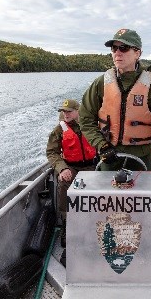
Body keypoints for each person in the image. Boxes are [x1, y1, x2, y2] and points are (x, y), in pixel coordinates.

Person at [78, 28, 151, 185]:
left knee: (144, 207)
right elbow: (85, 118)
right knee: (107, 206)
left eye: (123, 48)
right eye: (114, 48)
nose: (117, 52)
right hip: (108, 158)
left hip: (142, 161)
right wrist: (101, 145)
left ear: (138, 53)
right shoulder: (100, 84)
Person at [46, 99, 97, 266]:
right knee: (64, 186)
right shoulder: (59, 130)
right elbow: (52, 153)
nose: (66, 114)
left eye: (69, 111)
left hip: (92, 166)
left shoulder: (90, 125)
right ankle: (67, 228)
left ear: (77, 111)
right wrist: (61, 169)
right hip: (71, 168)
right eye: (64, 111)